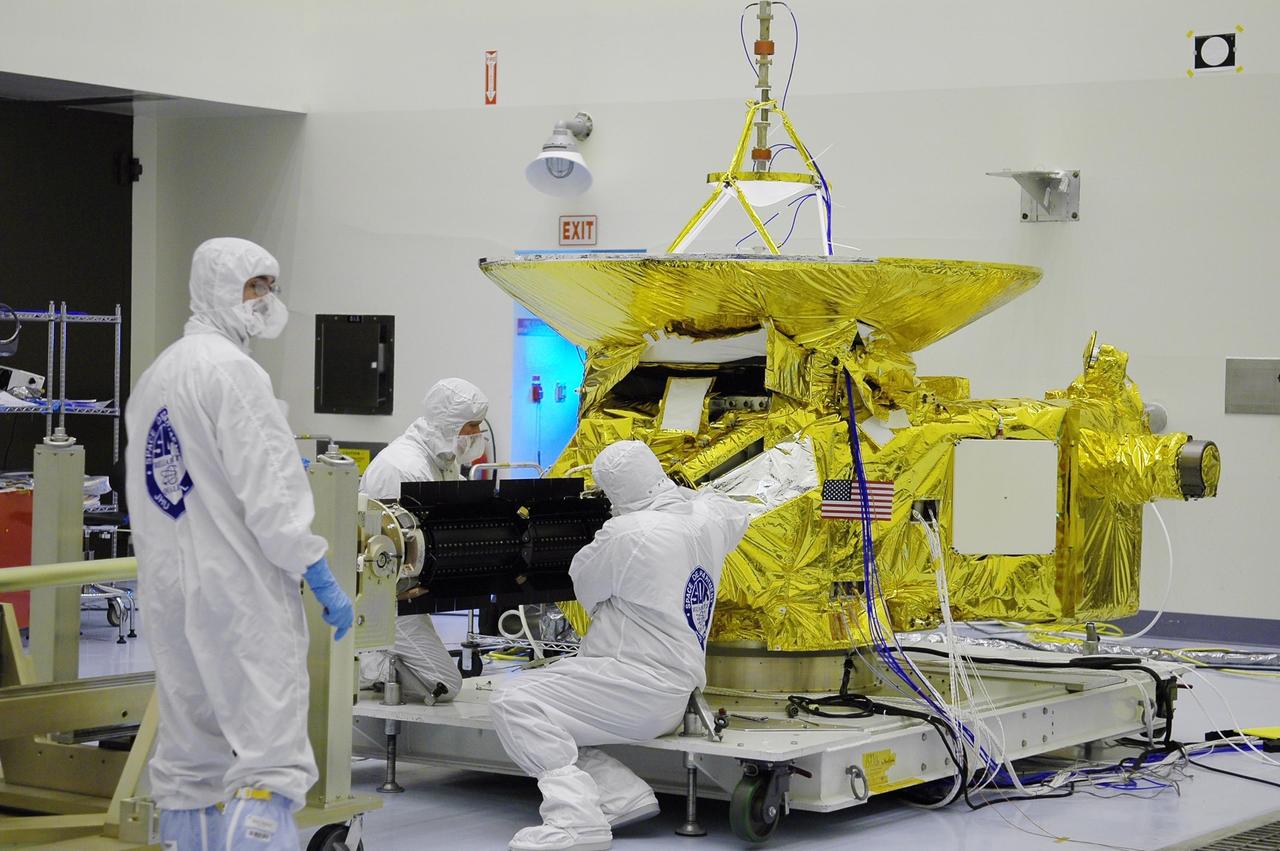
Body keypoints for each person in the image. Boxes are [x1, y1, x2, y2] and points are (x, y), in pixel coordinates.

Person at [126, 237, 353, 851]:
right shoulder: (234, 372)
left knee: (188, 749)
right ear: (219, 288)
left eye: (270, 287)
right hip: (240, 588)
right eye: (254, 286)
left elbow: (149, 485)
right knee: (268, 746)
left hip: (170, 587)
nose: (265, 300)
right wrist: (315, 567)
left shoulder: (157, 374)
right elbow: (273, 493)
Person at [490, 441, 752, 851]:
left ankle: (576, 820)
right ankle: (618, 796)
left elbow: (585, 585)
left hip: (631, 685)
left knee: (515, 700)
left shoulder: (627, 532)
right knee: (558, 710)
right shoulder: (706, 519)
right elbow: (735, 511)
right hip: (677, 692)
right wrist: (688, 494)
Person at [357, 378, 489, 704]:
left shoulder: (441, 460)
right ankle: (365, 661)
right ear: (449, 424)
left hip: (412, 598)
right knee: (445, 685)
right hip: (388, 604)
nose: (475, 435)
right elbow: (381, 548)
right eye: (470, 427)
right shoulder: (401, 467)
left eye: (478, 427)